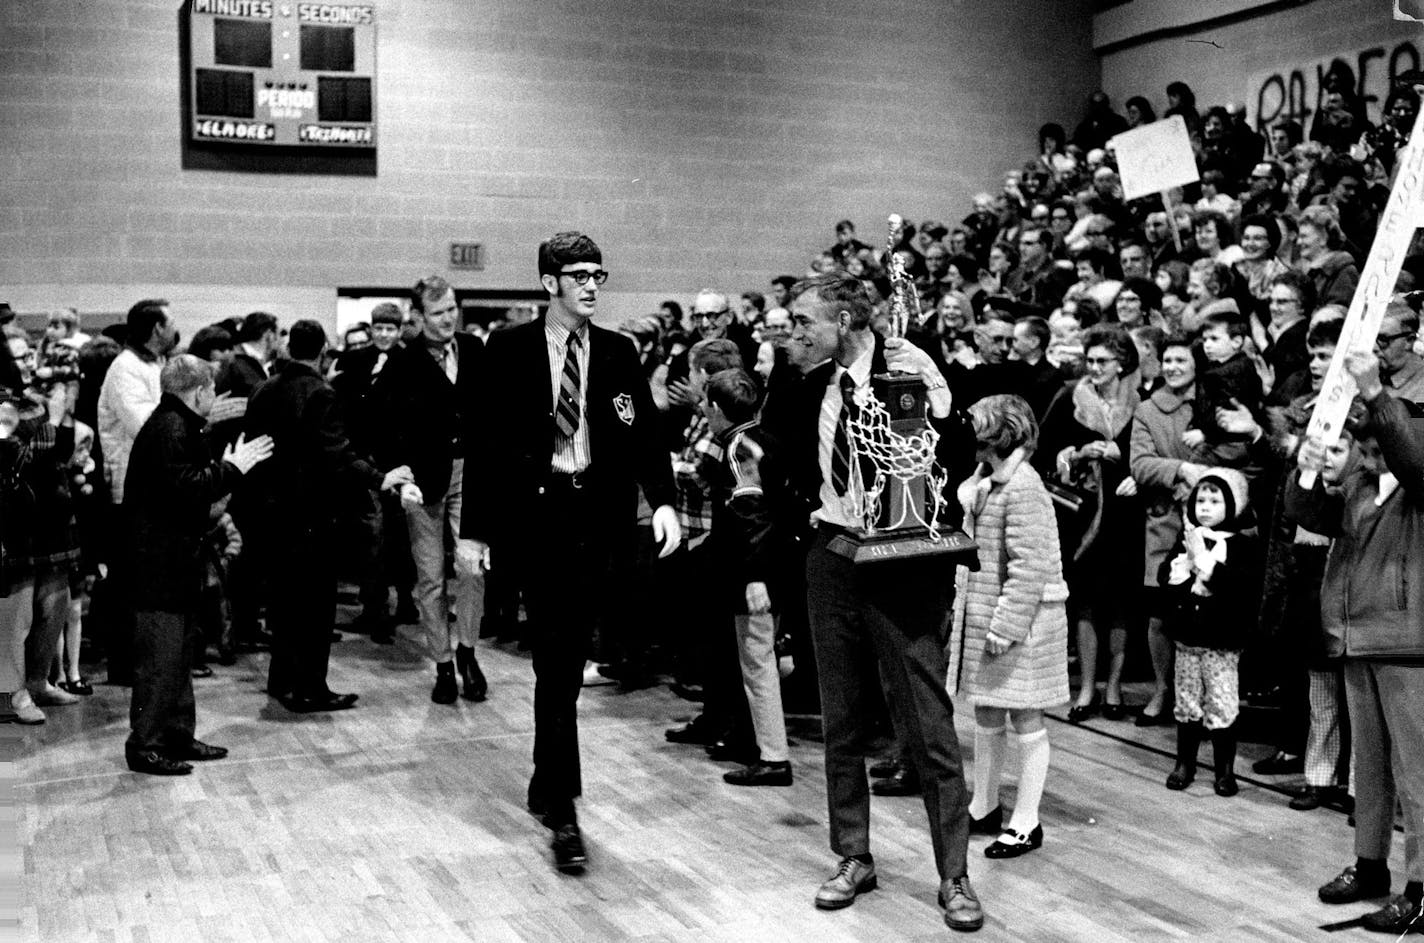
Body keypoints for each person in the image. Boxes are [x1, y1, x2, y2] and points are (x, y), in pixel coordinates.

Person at [764, 271, 983, 931]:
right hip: (832, 558)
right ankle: (853, 854)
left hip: (904, 567)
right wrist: (812, 525)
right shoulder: (802, 387)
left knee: (929, 726)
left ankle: (955, 874)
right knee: (841, 720)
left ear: (848, 319)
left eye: (805, 322)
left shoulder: (911, 372)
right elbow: (779, 466)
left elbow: (958, 452)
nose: (794, 334)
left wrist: (933, 406)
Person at [457, 231, 680, 875]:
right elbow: (486, 448)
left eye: (598, 274)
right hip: (537, 520)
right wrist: (474, 533)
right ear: (548, 282)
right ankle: (565, 811)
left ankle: (546, 783)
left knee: (562, 664)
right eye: (577, 274)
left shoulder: (617, 351)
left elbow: (644, 435)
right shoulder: (508, 348)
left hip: (595, 520)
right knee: (556, 666)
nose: (590, 285)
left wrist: (661, 499)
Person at [1290, 350, 1424, 935]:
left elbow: (1410, 453)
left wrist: (1374, 392)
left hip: (1406, 641)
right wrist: (1306, 468)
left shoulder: (1418, 482)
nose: (1367, 447)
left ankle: (1422, 890)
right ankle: (1371, 867)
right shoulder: (1361, 484)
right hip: (1356, 639)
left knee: (1418, 775)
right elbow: (1307, 513)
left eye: (1376, 436)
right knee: (1369, 770)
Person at [244, 321, 413, 713]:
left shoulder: (263, 389)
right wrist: (380, 478)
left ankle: (281, 679)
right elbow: (336, 455)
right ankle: (310, 689)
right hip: (312, 516)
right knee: (317, 608)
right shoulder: (321, 393)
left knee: (284, 603)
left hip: (272, 514)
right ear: (322, 351)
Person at [123, 355, 273, 775]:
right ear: (199, 392)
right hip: (159, 568)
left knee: (177, 656)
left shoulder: (175, 423)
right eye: (211, 390)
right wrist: (234, 467)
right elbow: (187, 489)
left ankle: (176, 735)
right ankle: (146, 745)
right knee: (161, 660)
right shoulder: (170, 429)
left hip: (172, 563)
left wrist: (225, 465)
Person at [949, 394, 1069, 859]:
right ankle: (984, 804)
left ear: (999, 434)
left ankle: (1026, 821)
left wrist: (1006, 627)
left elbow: (1029, 568)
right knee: (986, 711)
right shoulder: (987, 482)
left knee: (1025, 715)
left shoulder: (1023, 487)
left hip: (1023, 625)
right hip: (991, 618)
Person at [380, 276, 488, 703]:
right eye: (439, 312)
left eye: (453, 309)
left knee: (472, 568)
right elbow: (379, 425)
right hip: (424, 484)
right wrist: (396, 475)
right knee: (430, 580)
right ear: (419, 317)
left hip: (472, 474)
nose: (449, 318)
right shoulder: (403, 363)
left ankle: (467, 652)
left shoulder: (475, 350)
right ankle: (442, 665)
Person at [1039, 323, 1142, 721]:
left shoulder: (1141, 400)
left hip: (1125, 509)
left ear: (1122, 363)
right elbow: (1043, 451)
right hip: (1081, 512)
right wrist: (1079, 453)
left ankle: (1113, 687)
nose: (1094, 367)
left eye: (1103, 361)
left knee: (1119, 602)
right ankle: (1085, 687)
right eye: (1091, 360)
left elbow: (1150, 452)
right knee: (1083, 601)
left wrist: (1127, 457)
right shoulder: (1070, 396)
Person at [702, 367, 793, 787]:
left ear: (718, 409)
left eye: (706, 405)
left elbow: (752, 513)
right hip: (780, 563)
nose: (704, 412)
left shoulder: (740, 448)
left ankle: (773, 758)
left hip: (756, 572)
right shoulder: (768, 434)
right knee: (766, 658)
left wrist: (754, 576)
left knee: (758, 663)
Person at [1160, 468, 1259, 797]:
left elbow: (1238, 587)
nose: (1204, 506)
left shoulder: (1243, 546)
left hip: (1221, 641)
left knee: (1222, 704)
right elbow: (1167, 577)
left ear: (1233, 506)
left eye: (1214, 500)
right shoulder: (1187, 537)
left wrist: (1204, 560)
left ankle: (1224, 771)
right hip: (1188, 639)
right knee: (1187, 702)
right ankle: (1184, 763)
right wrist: (1180, 569)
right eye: (1200, 499)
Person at [1130, 333, 1203, 726]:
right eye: (1168, 360)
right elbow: (1140, 463)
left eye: (1182, 360)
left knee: (1202, 613)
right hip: (1165, 520)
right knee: (1159, 613)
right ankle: (1162, 687)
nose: (1173, 367)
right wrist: (1179, 470)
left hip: (1210, 520)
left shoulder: (1212, 404)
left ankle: (1199, 697)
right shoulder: (1148, 410)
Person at [1184, 310, 1262, 469]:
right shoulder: (1232, 367)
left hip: (1231, 443)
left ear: (1236, 342)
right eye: (1205, 339)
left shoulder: (1227, 373)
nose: (1207, 345)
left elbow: (1225, 412)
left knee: (1195, 467)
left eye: (1214, 339)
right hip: (1225, 439)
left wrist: (1205, 434)